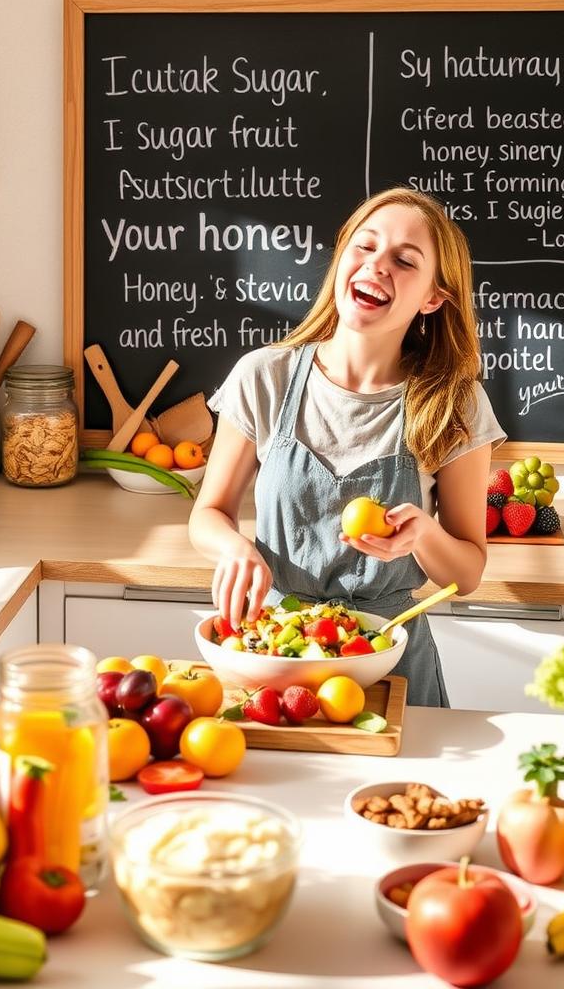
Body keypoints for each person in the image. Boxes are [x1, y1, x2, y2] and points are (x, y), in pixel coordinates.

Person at [188, 186, 506, 706]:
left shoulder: (455, 402)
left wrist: (423, 534)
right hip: (276, 653)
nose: (378, 264)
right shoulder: (263, 376)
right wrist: (234, 548)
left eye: (405, 260)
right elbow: (209, 513)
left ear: (432, 298)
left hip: (391, 660)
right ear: (342, 260)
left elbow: (467, 573)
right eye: (365, 246)